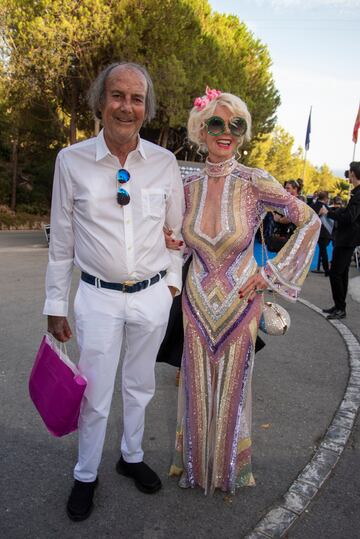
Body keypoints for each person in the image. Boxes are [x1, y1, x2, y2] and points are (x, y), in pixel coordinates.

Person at [43, 61, 184, 520]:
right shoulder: (72, 161)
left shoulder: (165, 164)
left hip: (151, 297)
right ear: (100, 101)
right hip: (97, 297)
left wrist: (171, 287)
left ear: (147, 108)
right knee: (95, 391)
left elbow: (176, 234)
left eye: (137, 98)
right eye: (118, 96)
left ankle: (131, 456)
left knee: (140, 385)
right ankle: (86, 474)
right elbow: (61, 242)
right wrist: (54, 305)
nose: (127, 107)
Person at [169, 87, 320, 494]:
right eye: (216, 123)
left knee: (234, 388)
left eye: (236, 125)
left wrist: (270, 273)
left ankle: (229, 471)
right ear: (201, 130)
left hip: (240, 303)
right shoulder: (187, 187)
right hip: (196, 304)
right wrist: (171, 244)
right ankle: (197, 470)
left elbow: (308, 221)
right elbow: (183, 241)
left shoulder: (255, 181)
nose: (226, 132)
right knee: (196, 385)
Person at [320, 161, 360, 320]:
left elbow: (350, 217)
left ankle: (340, 308)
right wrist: (338, 211)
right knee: (341, 273)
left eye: (350, 172)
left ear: (353, 173)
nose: (348, 175)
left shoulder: (358, 195)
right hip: (347, 239)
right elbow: (349, 213)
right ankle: (339, 306)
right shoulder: (356, 193)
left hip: (347, 239)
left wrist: (330, 213)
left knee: (335, 273)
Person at [311, 191, 333, 276]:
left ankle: (322, 268)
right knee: (323, 251)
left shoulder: (314, 205)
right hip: (325, 232)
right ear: (325, 198)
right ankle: (326, 270)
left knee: (318, 251)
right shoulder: (326, 207)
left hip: (317, 231)